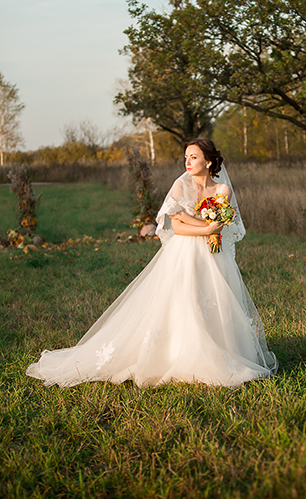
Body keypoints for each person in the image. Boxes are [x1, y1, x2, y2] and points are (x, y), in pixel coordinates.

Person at [26, 139, 277, 387]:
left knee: (215, 299)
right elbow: (176, 226)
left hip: (213, 255)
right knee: (183, 300)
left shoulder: (223, 191)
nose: (187, 162)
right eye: (186, 157)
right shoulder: (180, 185)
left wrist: (204, 224)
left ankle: (217, 351)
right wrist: (206, 228)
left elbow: (221, 223)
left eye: (194, 157)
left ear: (209, 161)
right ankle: (178, 353)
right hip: (184, 253)